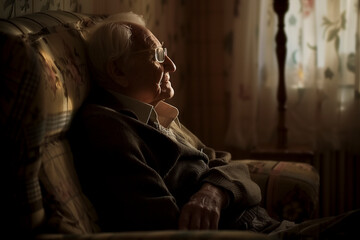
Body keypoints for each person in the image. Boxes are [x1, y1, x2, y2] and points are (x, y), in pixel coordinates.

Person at [70, 12, 359, 239]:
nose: (171, 65)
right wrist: (218, 191)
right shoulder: (109, 130)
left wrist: (214, 192)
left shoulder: (157, 115)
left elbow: (229, 165)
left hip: (267, 225)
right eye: (158, 55)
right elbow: (167, 229)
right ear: (117, 71)